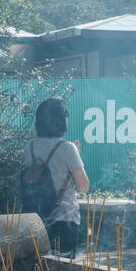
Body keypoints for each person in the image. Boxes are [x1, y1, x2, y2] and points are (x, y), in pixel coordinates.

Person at [24, 98, 89, 258]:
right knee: (63, 270)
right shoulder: (67, 148)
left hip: (36, 221)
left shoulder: (29, 147)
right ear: (61, 120)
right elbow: (83, 186)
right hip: (64, 220)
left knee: (41, 269)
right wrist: (75, 155)